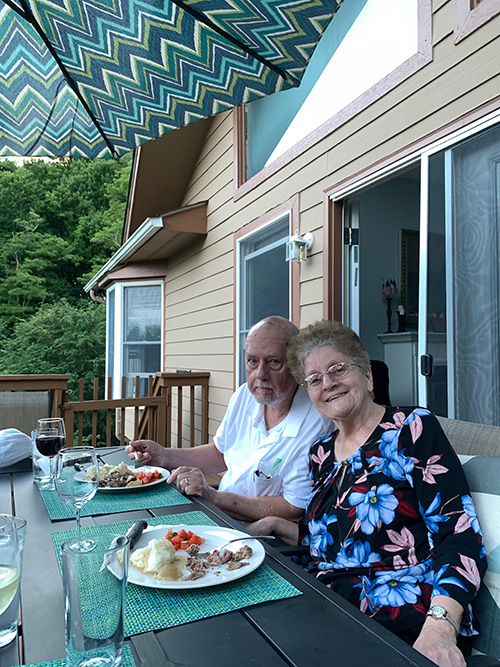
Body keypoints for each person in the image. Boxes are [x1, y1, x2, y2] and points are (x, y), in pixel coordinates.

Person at [248, 319, 486, 667]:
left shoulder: (411, 429)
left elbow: (460, 536)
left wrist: (441, 626)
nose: (327, 383)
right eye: (314, 379)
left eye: (338, 369)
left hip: (398, 613)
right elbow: (338, 537)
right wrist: (279, 525)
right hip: (322, 603)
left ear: (368, 376)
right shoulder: (321, 452)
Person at [126, 316, 334, 523]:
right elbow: (221, 453)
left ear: (297, 365)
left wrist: (213, 496)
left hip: (262, 537)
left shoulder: (316, 422)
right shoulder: (245, 396)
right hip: (218, 514)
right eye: (252, 361)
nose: (261, 374)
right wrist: (164, 456)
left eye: (274, 362)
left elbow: (292, 509)